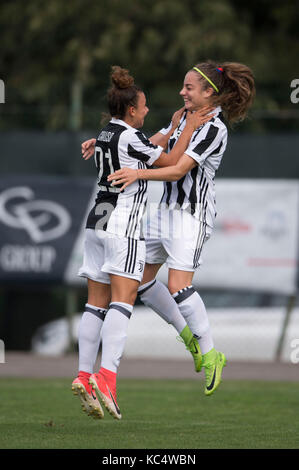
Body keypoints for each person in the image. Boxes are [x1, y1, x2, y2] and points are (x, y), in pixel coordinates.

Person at [72, 65, 214, 420]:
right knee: (124, 301)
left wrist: (171, 127)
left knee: (94, 304)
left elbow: (148, 145)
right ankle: (107, 379)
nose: (148, 110)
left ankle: (83, 375)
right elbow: (168, 161)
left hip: (96, 220)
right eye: (145, 106)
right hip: (122, 225)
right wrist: (190, 129)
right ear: (132, 110)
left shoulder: (106, 133)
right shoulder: (131, 138)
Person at [107, 61, 255, 396]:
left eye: (189, 87)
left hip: (192, 214)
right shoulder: (186, 118)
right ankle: (189, 336)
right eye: (183, 86)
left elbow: (176, 169)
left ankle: (212, 353)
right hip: (165, 213)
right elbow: (151, 145)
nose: (182, 92)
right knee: (140, 279)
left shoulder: (214, 128)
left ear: (208, 92)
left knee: (177, 284)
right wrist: (102, 141)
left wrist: (137, 174)